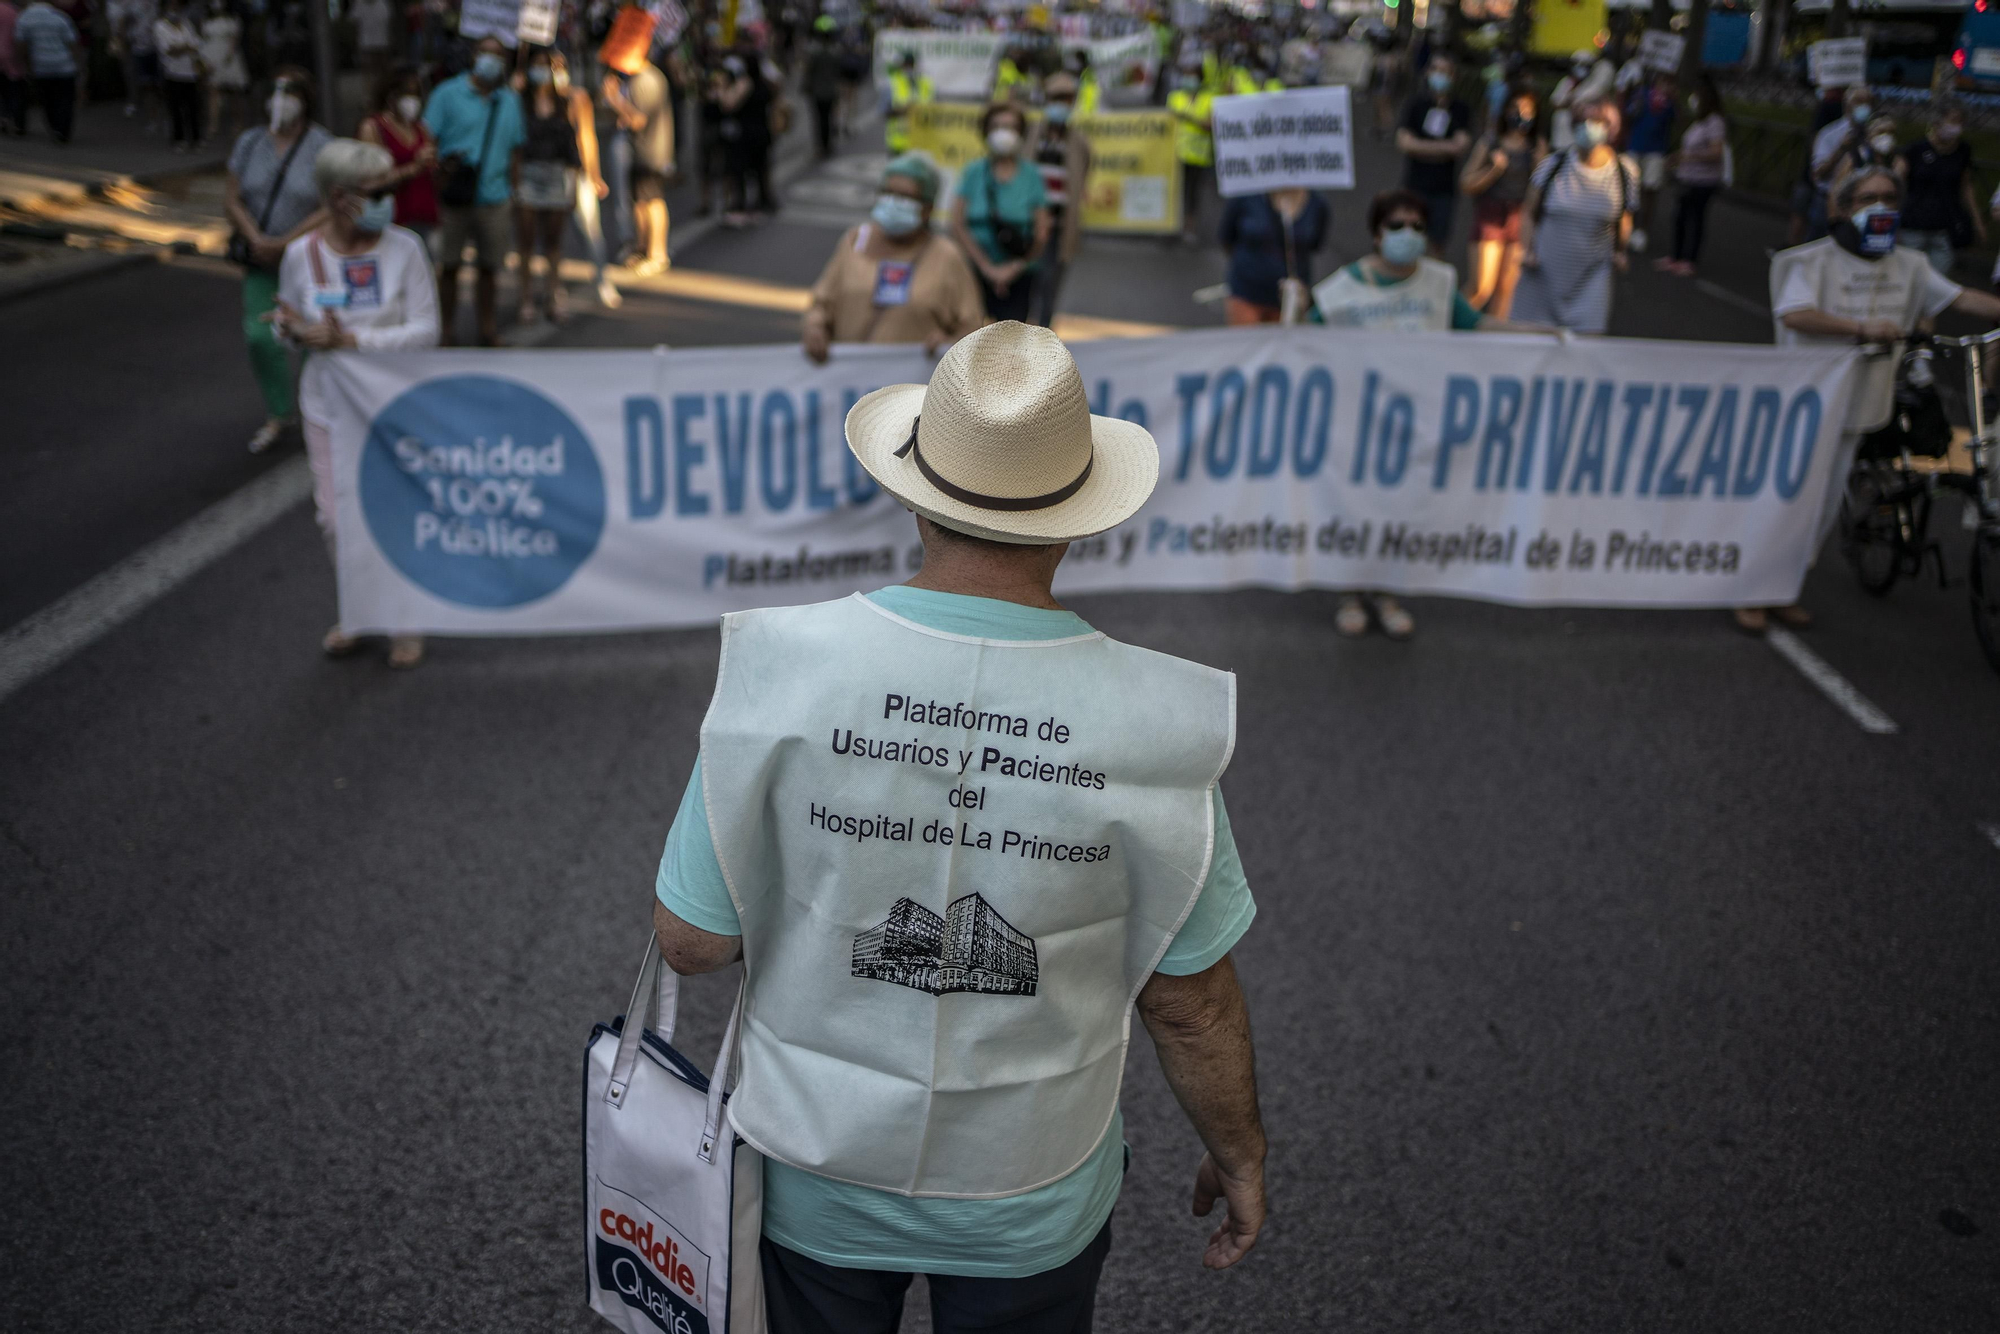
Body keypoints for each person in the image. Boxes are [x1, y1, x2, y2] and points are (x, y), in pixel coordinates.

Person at [654, 318, 1267, 1334]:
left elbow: (693, 939)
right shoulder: (1156, 722)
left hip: (814, 1168)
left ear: (911, 494)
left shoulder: (784, 668)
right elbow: (1188, 1001)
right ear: (1077, 517)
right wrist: (1238, 1151)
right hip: (1032, 1183)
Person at [1763, 164, 2000, 635]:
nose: (1881, 207)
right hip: (1808, 407)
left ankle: (1782, 588)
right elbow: (1795, 314)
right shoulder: (1814, 262)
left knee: (1825, 506)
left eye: (1891, 198)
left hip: (1860, 406)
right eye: (1868, 198)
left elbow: (1964, 300)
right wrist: (1862, 329)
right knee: (1787, 501)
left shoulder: (1908, 265)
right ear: (1844, 208)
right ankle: (1754, 588)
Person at [1311, 188, 1533, 639]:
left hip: (1416, 425)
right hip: (1359, 425)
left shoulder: (1438, 283)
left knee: (1401, 508)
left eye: (1416, 226)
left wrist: (1543, 337)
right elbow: (1299, 340)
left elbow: (1479, 325)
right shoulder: (1342, 290)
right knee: (1357, 509)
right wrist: (1294, 306)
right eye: (1396, 226)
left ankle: (1388, 594)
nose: (1407, 234)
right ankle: (1351, 593)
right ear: (1376, 235)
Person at [270, 138, 439, 669]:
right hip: (329, 407)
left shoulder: (405, 248)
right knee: (336, 520)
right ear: (339, 197)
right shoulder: (303, 256)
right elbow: (287, 324)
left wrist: (354, 341)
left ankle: (405, 620)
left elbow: (426, 331)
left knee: (394, 514)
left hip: (393, 409)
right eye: (376, 191)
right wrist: (293, 331)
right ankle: (360, 611)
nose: (389, 198)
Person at [225, 67, 331, 453]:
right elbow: (232, 198)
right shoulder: (251, 143)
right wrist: (256, 238)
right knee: (259, 337)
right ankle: (278, 411)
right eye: (276, 92)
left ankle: (313, 413)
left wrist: (288, 240)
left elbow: (330, 207)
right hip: (260, 260)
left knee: (311, 338)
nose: (281, 100)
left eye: (290, 92)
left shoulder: (322, 146)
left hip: (308, 263)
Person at [801, 154, 985, 363]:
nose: (893, 202)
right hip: (850, 384)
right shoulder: (855, 241)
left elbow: (972, 328)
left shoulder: (947, 257)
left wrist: (950, 343)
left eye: (905, 197)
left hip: (912, 389)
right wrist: (814, 328)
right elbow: (821, 304)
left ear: (927, 209)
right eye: (888, 193)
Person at [423, 34, 525, 346]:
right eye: (485, 53)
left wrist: (515, 192)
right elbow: (427, 141)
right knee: (449, 267)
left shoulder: (509, 100)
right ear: (473, 56)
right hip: (454, 196)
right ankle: (446, 330)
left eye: (498, 55)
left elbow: (516, 150)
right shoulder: (447, 94)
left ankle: (487, 329)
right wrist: (438, 175)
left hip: (495, 197)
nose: (491, 60)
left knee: (489, 269)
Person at [1510, 97, 1637, 336]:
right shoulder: (1552, 165)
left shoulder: (1624, 172)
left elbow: (1624, 218)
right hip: (1543, 275)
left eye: (1596, 120)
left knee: (1585, 350)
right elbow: (1528, 211)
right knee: (1531, 344)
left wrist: (1621, 250)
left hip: (1591, 279)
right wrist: (1526, 249)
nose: (1588, 126)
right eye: (1582, 120)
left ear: (1611, 126)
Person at [510, 48, 594, 322]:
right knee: (526, 240)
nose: (541, 71)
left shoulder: (564, 102)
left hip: (557, 175)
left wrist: (577, 178)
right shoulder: (518, 102)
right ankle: (526, 297)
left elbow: (573, 143)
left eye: (545, 65)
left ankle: (552, 293)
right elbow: (514, 144)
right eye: (535, 65)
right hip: (528, 174)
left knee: (553, 241)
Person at [952, 101, 1050, 324]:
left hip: (1019, 276)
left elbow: (1042, 230)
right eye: (996, 127)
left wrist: (1015, 267)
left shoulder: (1031, 175)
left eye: (1010, 127)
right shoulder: (973, 172)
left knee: (1010, 342)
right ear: (986, 131)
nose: (1003, 133)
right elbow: (958, 224)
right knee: (969, 336)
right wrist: (987, 268)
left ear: (1020, 133)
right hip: (974, 272)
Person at [1459, 83, 1539, 316]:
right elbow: (1466, 182)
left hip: (1519, 219)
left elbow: (1541, 190)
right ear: (1505, 110)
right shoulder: (1490, 143)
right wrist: (1493, 170)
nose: (1521, 114)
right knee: (1481, 288)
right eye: (1515, 108)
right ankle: (1447, 326)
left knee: (1506, 292)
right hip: (1490, 216)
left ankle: (1495, 342)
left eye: (1527, 109)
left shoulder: (1536, 148)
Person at [1394, 52, 1471, 256]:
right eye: (1436, 69)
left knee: (1437, 242)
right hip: (1414, 185)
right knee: (1409, 238)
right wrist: (1444, 148)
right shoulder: (1415, 104)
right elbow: (1404, 143)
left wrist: (1421, 147)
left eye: (1445, 71)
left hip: (1443, 190)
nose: (1440, 75)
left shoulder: (1461, 108)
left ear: (1453, 76)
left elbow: (1460, 147)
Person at [1896, 99, 1982, 277]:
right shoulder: (1915, 150)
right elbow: (1896, 183)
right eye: (1952, 121)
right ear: (1937, 122)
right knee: (1909, 276)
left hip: (1945, 228)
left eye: (1960, 122)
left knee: (1938, 280)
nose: (1956, 127)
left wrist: (1976, 221)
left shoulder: (1962, 151)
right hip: (1913, 226)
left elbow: (1966, 186)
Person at [1032, 71, 1091, 328]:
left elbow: (1082, 176)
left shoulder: (1079, 142)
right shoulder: (1033, 134)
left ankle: (1043, 337)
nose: (1061, 105)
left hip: (1060, 225)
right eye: (1056, 98)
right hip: (1030, 222)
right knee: (1028, 282)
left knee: (1051, 284)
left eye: (1067, 99)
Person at [1219, 187, 1328, 324]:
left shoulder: (1317, 203)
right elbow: (1226, 237)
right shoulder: (1246, 197)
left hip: (1290, 299)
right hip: (1247, 293)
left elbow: (1315, 243)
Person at [356, 65, 437, 244]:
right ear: (391, 94)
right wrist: (412, 169)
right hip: (391, 219)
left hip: (423, 216)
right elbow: (370, 180)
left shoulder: (421, 128)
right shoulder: (374, 128)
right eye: (406, 93)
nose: (412, 99)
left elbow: (432, 173)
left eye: (416, 94)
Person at [1658, 74, 1725, 278]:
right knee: (1680, 217)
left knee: (1695, 219)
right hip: (1688, 177)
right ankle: (1676, 256)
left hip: (1703, 181)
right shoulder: (1700, 121)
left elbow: (1716, 152)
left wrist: (1687, 156)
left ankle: (1689, 260)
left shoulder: (1715, 122)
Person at [618, 51, 673, 266]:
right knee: (641, 201)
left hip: (651, 153)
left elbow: (638, 120)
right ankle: (643, 247)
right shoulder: (642, 78)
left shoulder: (646, 80)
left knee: (653, 201)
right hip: (643, 151)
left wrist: (615, 100)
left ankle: (657, 253)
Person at [715, 45, 774, 226]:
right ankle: (761, 203)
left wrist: (722, 88)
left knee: (739, 171)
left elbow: (728, 104)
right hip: (762, 132)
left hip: (744, 136)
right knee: (760, 170)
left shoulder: (745, 83)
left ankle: (740, 207)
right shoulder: (766, 82)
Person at [1808, 86, 1875, 241]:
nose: (1864, 106)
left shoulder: (1874, 135)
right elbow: (1819, 173)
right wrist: (1841, 150)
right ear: (1846, 105)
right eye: (1858, 101)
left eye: (1868, 102)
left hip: (1861, 205)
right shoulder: (1829, 134)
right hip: (1827, 202)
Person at [1621, 69, 1674, 255]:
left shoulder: (1670, 102)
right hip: (1636, 147)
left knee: (1650, 190)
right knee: (1630, 189)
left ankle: (1642, 230)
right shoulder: (1641, 94)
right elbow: (1628, 113)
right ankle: (1626, 226)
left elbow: (1675, 123)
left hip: (1656, 152)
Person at [12, 0, 81, 142]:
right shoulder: (60, 17)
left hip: (41, 66)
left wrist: (23, 63)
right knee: (65, 100)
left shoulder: (24, 18)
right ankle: (63, 129)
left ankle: (54, 126)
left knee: (48, 100)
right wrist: (78, 64)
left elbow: (21, 43)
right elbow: (72, 42)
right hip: (64, 66)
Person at [1167, 56, 1214, 247]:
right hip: (1175, 153)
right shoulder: (1175, 97)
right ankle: (1172, 227)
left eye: (1191, 76)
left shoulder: (1209, 99)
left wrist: (1187, 117)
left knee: (1192, 194)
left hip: (1198, 155)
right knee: (1175, 192)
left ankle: (1190, 228)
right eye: (1185, 76)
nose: (1188, 80)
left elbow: (1209, 125)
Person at [153, 0, 201, 151]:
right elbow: (168, 49)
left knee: (192, 107)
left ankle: (195, 139)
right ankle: (178, 139)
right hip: (172, 73)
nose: (174, 9)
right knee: (176, 108)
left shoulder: (186, 24)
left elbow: (196, 44)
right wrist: (186, 47)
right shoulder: (160, 26)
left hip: (190, 72)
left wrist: (183, 48)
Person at [197, 0, 245, 144]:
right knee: (213, 92)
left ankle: (237, 124)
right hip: (210, 56)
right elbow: (203, 40)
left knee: (233, 94)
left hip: (228, 58)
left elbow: (234, 40)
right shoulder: (206, 20)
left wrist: (228, 57)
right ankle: (213, 126)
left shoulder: (233, 20)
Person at [803, 13, 840, 160]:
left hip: (818, 92)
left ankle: (822, 146)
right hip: (830, 90)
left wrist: (806, 86)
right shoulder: (836, 51)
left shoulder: (814, 51)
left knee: (820, 120)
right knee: (828, 118)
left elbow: (808, 72)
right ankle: (827, 145)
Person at [883, 48, 929, 155]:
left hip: (921, 143)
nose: (907, 68)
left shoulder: (926, 83)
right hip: (898, 144)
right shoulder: (891, 83)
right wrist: (901, 111)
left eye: (910, 65)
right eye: (905, 65)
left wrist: (917, 110)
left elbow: (935, 110)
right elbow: (884, 111)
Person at [0, 0, 25, 136]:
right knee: (14, 91)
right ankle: (16, 122)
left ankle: (3, 118)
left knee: (2, 92)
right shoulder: (14, 12)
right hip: (11, 55)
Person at [350, 0, 392, 78]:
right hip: (366, 42)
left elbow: (388, 22)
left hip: (381, 42)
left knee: (381, 67)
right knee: (368, 68)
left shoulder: (383, 4)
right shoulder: (359, 4)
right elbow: (354, 23)